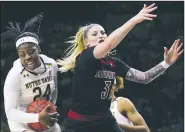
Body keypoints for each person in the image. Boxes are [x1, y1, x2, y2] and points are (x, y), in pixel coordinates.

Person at [57, 3, 183, 132]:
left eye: (103, 32)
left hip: (105, 120)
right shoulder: (85, 57)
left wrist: (166, 63)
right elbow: (110, 43)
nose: (101, 35)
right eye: (94, 34)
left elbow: (144, 77)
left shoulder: (113, 63)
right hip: (80, 124)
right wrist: (134, 20)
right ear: (86, 43)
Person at [2, 13, 61, 132]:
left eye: (31, 51)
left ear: (38, 49)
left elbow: (54, 92)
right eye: (22, 55)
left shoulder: (51, 64)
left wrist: (49, 110)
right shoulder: (14, 75)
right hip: (22, 121)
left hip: (44, 116)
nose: (27, 57)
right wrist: (38, 117)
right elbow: (10, 112)